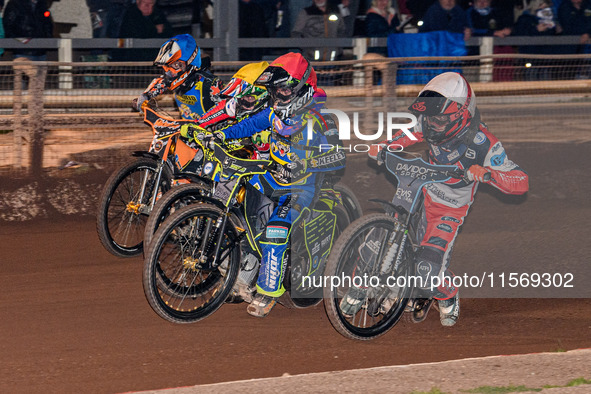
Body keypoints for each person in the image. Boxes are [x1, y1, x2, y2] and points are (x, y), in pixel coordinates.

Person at [354, 72, 529, 326]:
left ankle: (448, 294)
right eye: (429, 118)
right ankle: (363, 286)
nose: (432, 124)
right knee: (377, 239)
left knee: (427, 274)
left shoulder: (484, 144)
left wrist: (490, 174)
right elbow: (408, 135)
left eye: (439, 119)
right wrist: (384, 146)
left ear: (461, 114)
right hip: (417, 189)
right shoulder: (428, 123)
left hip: (447, 209)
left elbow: (521, 181)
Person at [206, 53, 346, 317]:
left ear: (301, 87)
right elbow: (246, 125)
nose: (278, 96)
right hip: (270, 178)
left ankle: (269, 292)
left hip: (299, 189)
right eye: (274, 90)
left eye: (283, 90)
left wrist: (309, 163)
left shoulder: (321, 119)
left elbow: (339, 158)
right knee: (238, 214)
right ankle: (243, 273)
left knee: (276, 231)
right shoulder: (273, 113)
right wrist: (218, 134)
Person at [134, 34, 222, 120]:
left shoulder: (211, 84)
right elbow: (161, 82)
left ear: (189, 62)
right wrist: (145, 96)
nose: (169, 73)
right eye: (166, 68)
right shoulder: (173, 81)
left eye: (175, 65)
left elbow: (226, 113)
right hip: (187, 129)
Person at [512, 0, 560, 80]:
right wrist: (535, 29)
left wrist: (555, 28)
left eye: (546, 6)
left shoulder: (550, 20)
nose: (543, 8)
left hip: (545, 58)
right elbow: (520, 34)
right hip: (530, 57)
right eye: (541, 5)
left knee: (545, 81)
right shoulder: (524, 18)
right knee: (531, 80)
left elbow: (553, 36)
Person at [557, 0, 591, 78]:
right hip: (569, 45)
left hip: (585, 45)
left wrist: (588, 34)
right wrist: (580, 36)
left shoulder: (588, 4)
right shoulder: (564, 6)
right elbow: (566, 25)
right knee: (568, 69)